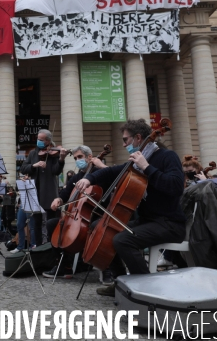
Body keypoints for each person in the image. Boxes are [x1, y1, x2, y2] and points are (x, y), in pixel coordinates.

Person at [74, 119, 186, 297]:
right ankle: (120, 283)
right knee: (100, 228)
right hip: (148, 220)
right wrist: (90, 179)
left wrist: (147, 167)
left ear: (138, 137)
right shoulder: (136, 161)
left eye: (126, 140)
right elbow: (111, 171)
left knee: (122, 240)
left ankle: (146, 288)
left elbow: (175, 186)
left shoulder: (166, 156)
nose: (124, 144)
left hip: (169, 222)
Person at [42, 145, 107, 279]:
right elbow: (65, 194)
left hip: (97, 215)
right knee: (52, 224)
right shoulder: (77, 177)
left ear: (90, 157)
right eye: (76, 157)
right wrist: (58, 199)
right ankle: (64, 266)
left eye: (80, 157)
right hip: (78, 216)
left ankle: (107, 269)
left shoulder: (100, 173)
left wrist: (101, 167)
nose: (78, 160)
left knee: (98, 227)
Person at [20, 129, 67, 246]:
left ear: (48, 141)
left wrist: (61, 159)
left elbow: (56, 171)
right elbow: (23, 168)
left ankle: (52, 246)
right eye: (38, 139)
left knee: (51, 221)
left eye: (41, 140)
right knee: (36, 223)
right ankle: (39, 247)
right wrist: (34, 165)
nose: (38, 141)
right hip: (35, 191)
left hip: (49, 191)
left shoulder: (53, 153)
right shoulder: (33, 153)